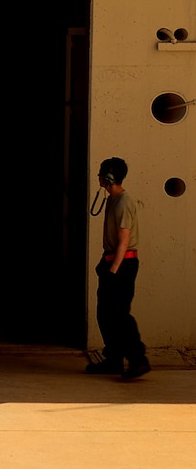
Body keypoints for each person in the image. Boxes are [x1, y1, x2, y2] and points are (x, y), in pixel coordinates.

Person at [87, 158, 148, 380]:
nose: (99, 177)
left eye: (102, 174)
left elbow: (124, 240)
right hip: (112, 261)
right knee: (105, 314)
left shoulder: (123, 202)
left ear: (109, 177)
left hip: (122, 264)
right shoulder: (112, 200)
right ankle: (113, 359)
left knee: (120, 315)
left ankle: (138, 359)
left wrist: (113, 270)